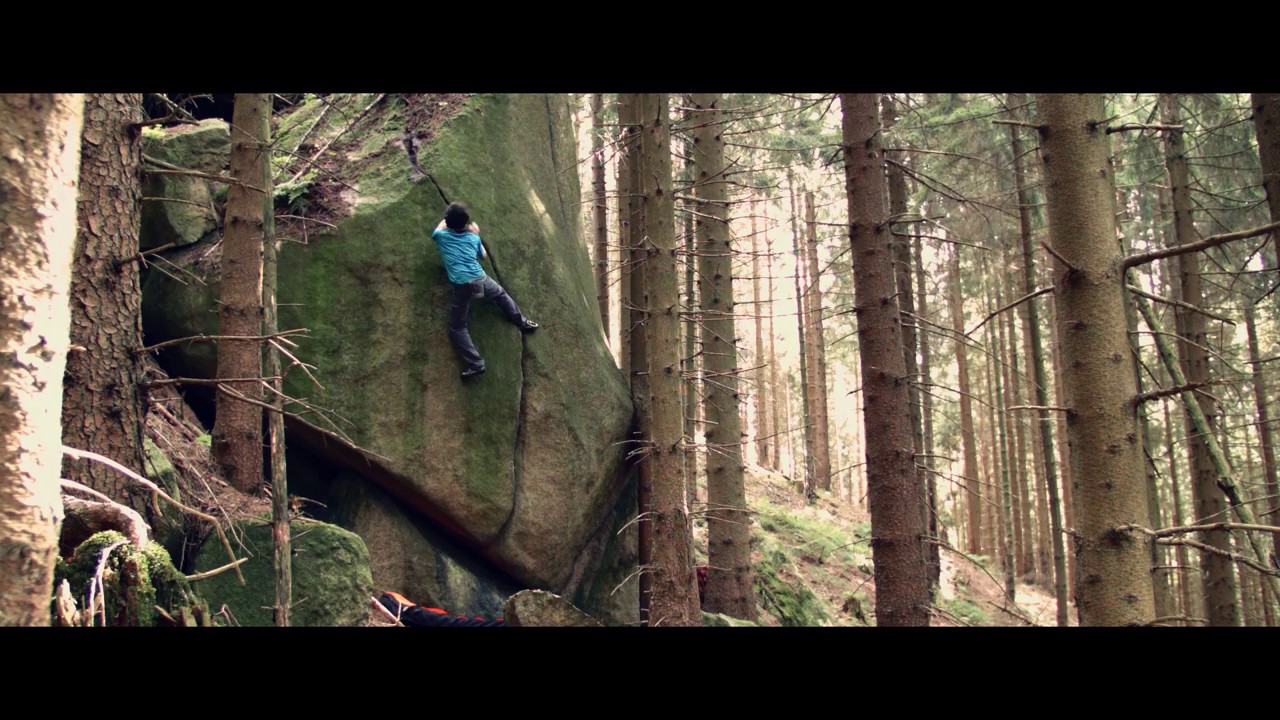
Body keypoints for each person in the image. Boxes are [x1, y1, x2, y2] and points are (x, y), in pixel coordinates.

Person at [431, 202, 538, 380]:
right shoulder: (473, 238)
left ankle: (475, 363)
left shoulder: (440, 236)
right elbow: (483, 255)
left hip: (462, 285)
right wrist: (475, 234)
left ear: (447, 222)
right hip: (480, 279)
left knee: (457, 327)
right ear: (466, 224)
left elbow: (440, 227)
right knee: (501, 295)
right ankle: (523, 322)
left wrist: (448, 220)